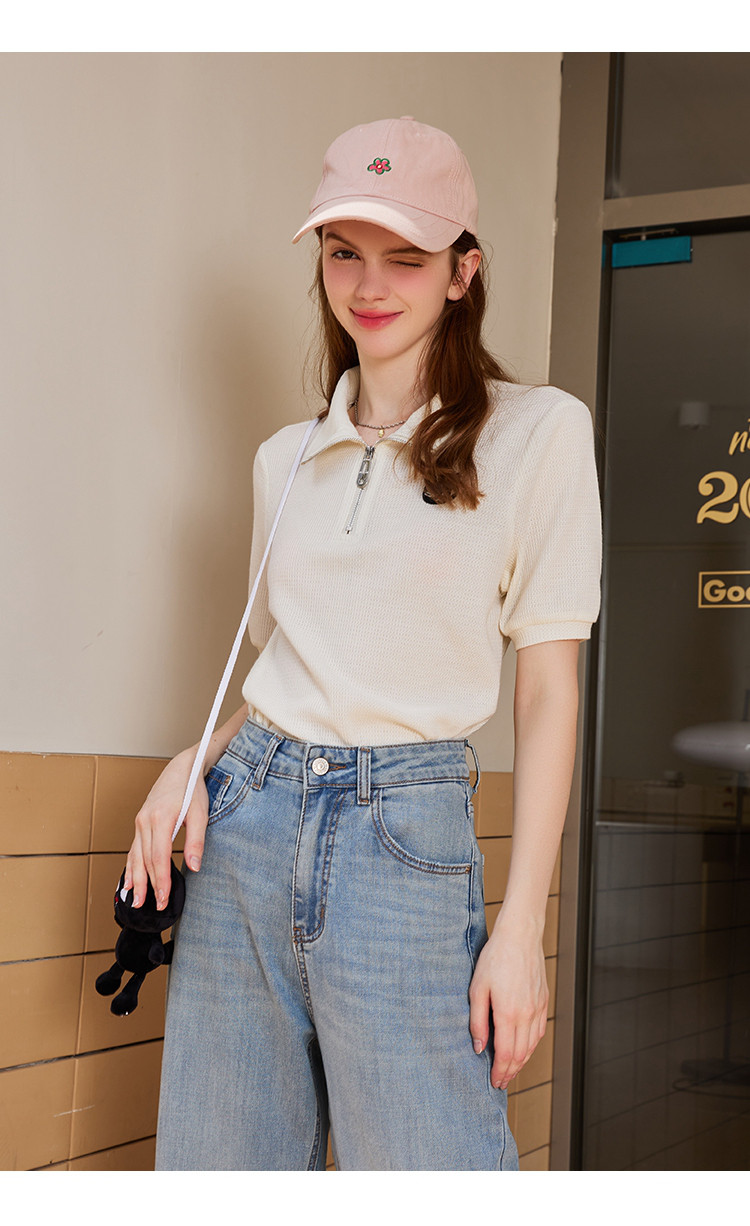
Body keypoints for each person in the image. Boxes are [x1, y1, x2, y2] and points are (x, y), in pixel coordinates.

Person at [125, 116, 602, 1171]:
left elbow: (549, 692)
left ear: (463, 271)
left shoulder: (540, 433)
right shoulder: (283, 459)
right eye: (344, 252)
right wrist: (188, 764)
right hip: (246, 822)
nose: (370, 285)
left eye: (407, 257)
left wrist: (521, 930)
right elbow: (287, 671)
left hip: (406, 834)